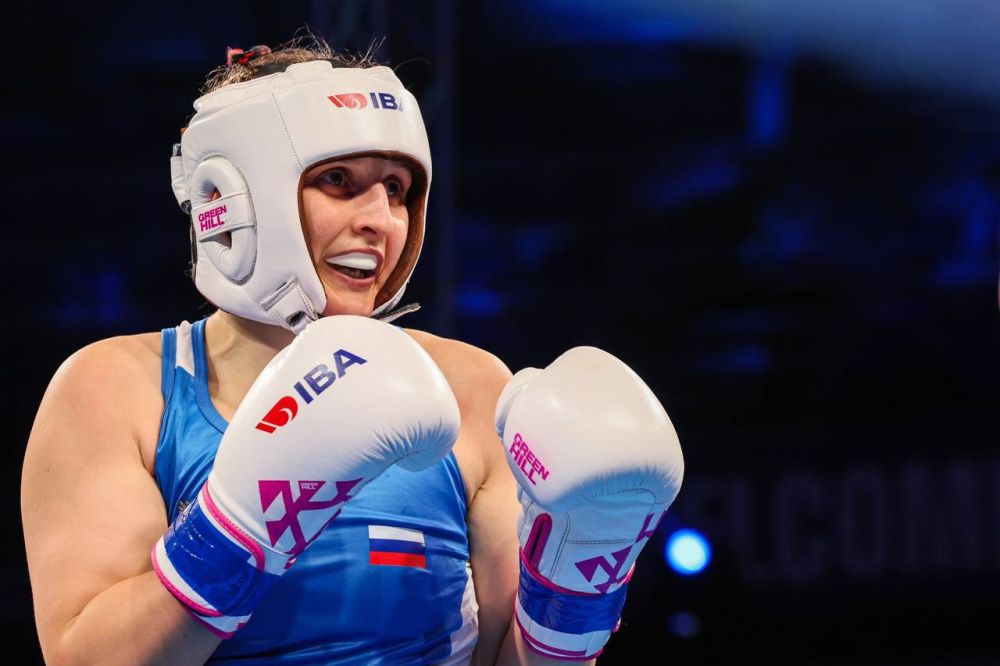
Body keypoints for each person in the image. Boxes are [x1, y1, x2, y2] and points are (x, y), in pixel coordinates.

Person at [21, 37, 685, 665]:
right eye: (338, 180)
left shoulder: (472, 388)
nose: (379, 220)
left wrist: (573, 593)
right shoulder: (117, 390)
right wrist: (238, 528)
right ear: (233, 199)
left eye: (396, 189)